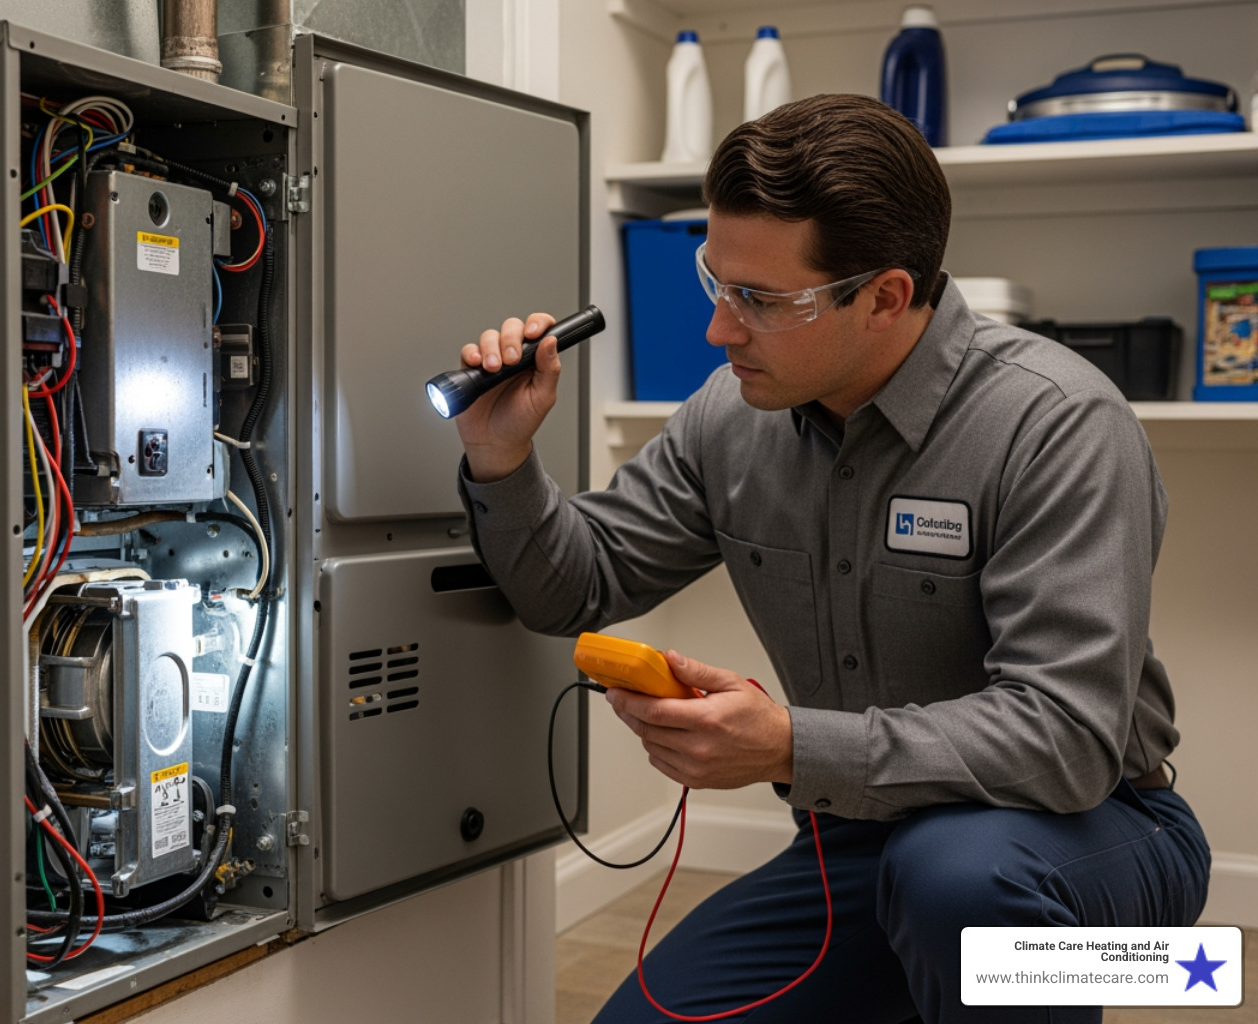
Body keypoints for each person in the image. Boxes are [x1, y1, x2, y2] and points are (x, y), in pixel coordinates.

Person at [453, 94, 1210, 1023]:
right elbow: (571, 585)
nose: (719, 331)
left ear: (886, 297)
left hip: (1098, 847)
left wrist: (787, 743)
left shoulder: (1058, 424)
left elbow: (1066, 740)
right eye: (716, 283)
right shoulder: (730, 421)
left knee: (957, 886)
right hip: (861, 845)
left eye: (763, 301)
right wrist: (502, 456)